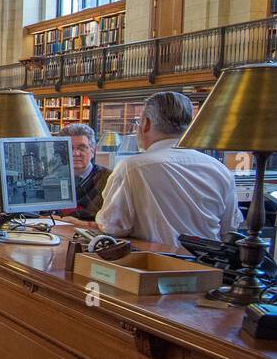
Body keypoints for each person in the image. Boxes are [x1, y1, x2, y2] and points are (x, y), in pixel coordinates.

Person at [95, 91, 242, 246]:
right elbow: (231, 228)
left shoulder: (132, 168)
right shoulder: (219, 170)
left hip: (154, 264)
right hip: (206, 266)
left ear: (146, 124)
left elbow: (112, 226)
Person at [56, 123, 110, 221]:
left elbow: (107, 220)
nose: (75, 153)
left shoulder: (108, 179)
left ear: (93, 152)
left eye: (82, 148)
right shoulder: (54, 177)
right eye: (70, 148)